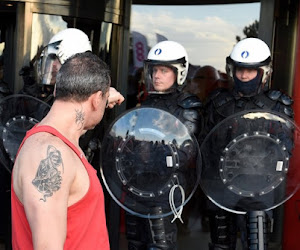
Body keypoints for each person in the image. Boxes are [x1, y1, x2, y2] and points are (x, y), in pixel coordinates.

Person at [200, 38, 293, 250]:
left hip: (259, 191)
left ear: (264, 72)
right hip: (221, 189)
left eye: (250, 71)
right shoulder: (217, 102)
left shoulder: (278, 106)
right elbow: (205, 146)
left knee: (256, 244)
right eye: (240, 70)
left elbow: (286, 151)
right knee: (221, 245)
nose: (243, 76)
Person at [11, 52, 111, 249]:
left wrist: (105, 95)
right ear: (96, 100)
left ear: (57, 89)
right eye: (104, 99)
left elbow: (79, 121)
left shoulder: (61, 144)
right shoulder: (47, 151)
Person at [125, 40, 202, 250]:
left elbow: (184, 152)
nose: (157, 76)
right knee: (135, 241)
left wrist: (148, 155)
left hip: (165, 188)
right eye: (154, 70)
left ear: (179, 73)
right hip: (138, 185)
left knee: (160, 243)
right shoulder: (147, 103)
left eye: (164, 70)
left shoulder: (187, 106)